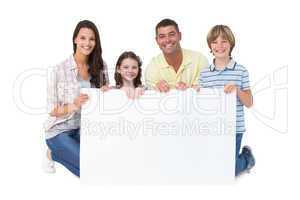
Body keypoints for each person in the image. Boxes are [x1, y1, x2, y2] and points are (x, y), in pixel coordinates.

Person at [42, 20, 109, 177]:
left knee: (104, 164)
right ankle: (53, 151)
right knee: (90, 170)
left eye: (91, 39)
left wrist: (106, 92)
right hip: (60, 131)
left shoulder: (101, 66)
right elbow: (52, 110)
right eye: (83, 38)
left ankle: (55, 155)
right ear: (75, 40)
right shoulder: (59, 70)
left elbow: (102, 103)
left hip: (87, 129)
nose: (87, 43)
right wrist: (74, 105)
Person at [199, 25, 255, 176]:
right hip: (213, 128)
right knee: (212, 166)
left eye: (224, 41)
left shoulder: (241, 70)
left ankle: (247, 158)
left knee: (229, 170)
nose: (219, 46)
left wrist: (237, 90)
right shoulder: (204, 73)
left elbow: (249, 103)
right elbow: (202, 102)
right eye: (215, 42)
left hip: (234, 129)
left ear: (231, 44)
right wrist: (196, 91)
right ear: (210, 46)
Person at [145, 18, 208, 92]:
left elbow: (204, 91)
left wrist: (189, 89)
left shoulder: (199, 59)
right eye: (162, 36)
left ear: (180, 36)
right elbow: (151, 99)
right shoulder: (152, 67)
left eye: (171, 34)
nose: (167, 40)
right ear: (157, 40)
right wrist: (156, 89)